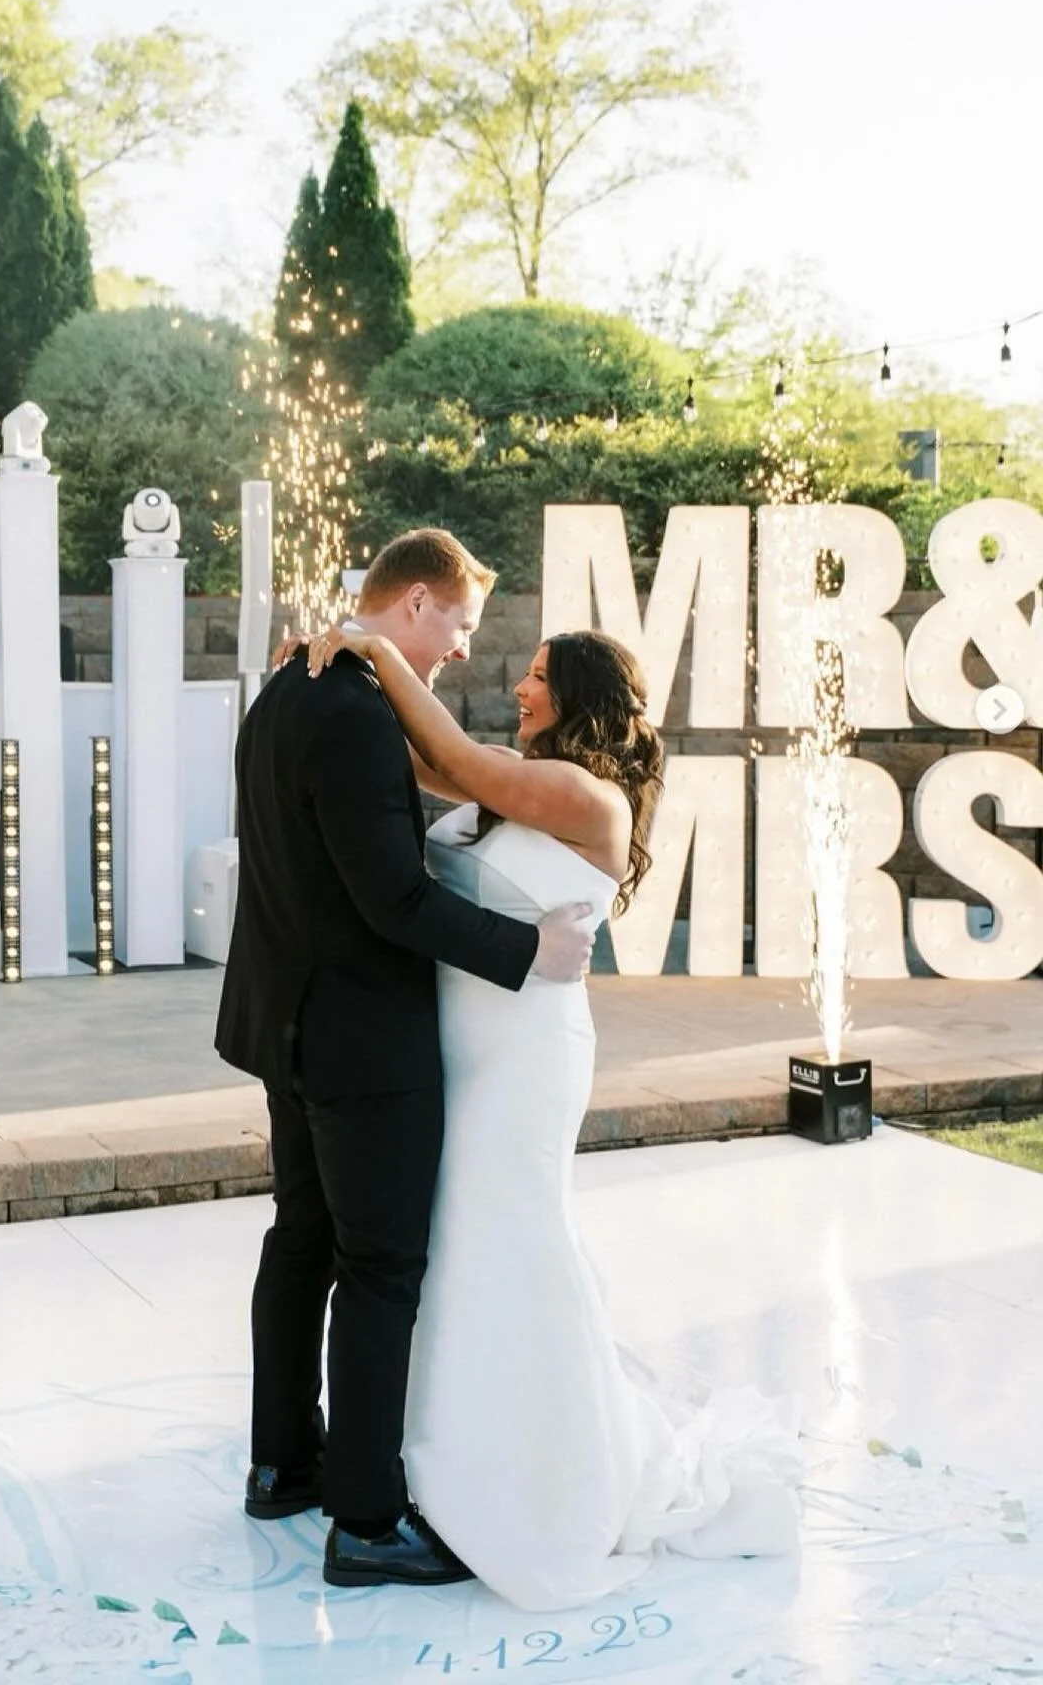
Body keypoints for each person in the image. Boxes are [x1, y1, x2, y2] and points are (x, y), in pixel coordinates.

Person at [296, 619, 803, 1611]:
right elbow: (410, 762)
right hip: (462, 1049)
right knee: (459, 1247)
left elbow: (444, 755)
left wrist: (374, 649)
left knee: (510, 1241)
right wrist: (326, 691)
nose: (519, 689)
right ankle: (448, 1451)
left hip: (524, 1057)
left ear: (579, 698)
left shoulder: (585, 796)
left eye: (537, 676)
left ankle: (543, 1478)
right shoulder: (516, 779)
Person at [214, 529, 598, 1591]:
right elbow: (395, 900)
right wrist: (529, 951)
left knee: (301, 1240)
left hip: (284, 1025)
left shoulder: (291, 688)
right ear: (417, 604)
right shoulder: (353, 713)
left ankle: (282, 1464)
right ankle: (367, 1521)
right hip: (360, 1043)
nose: (464, 650)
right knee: (381, 1272)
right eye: (462, 625)